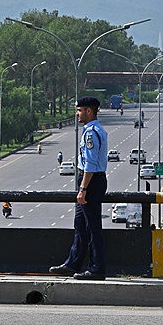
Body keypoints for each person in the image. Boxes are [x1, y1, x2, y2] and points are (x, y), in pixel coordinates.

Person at [50, 96, 108, 281]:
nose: (77, 114)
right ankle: (72, 264)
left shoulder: (91, 133)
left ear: (88, 111)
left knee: (92, 228)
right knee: (80, 225)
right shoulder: (94, 130)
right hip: (90, 179)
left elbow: (90, 164)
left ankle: (97, 268)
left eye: (79, 110)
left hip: (90, 180)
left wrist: (83, 188)